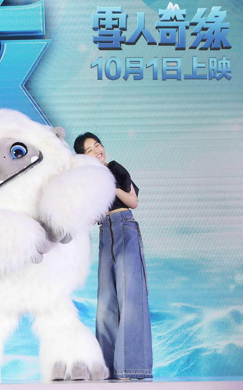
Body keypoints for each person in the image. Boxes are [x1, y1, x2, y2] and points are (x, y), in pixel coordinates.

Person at [73, 132, 152, 380]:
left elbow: (133, 201)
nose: (96, 151)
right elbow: (91, 216)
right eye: (89, 150)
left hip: (124, 226)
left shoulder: (115, 168)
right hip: (105, 233)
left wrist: (112, 186)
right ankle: (107, 368)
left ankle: (131, 367)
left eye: (97, 145)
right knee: (106, 302)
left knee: (130, 296)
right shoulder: (89, 181)